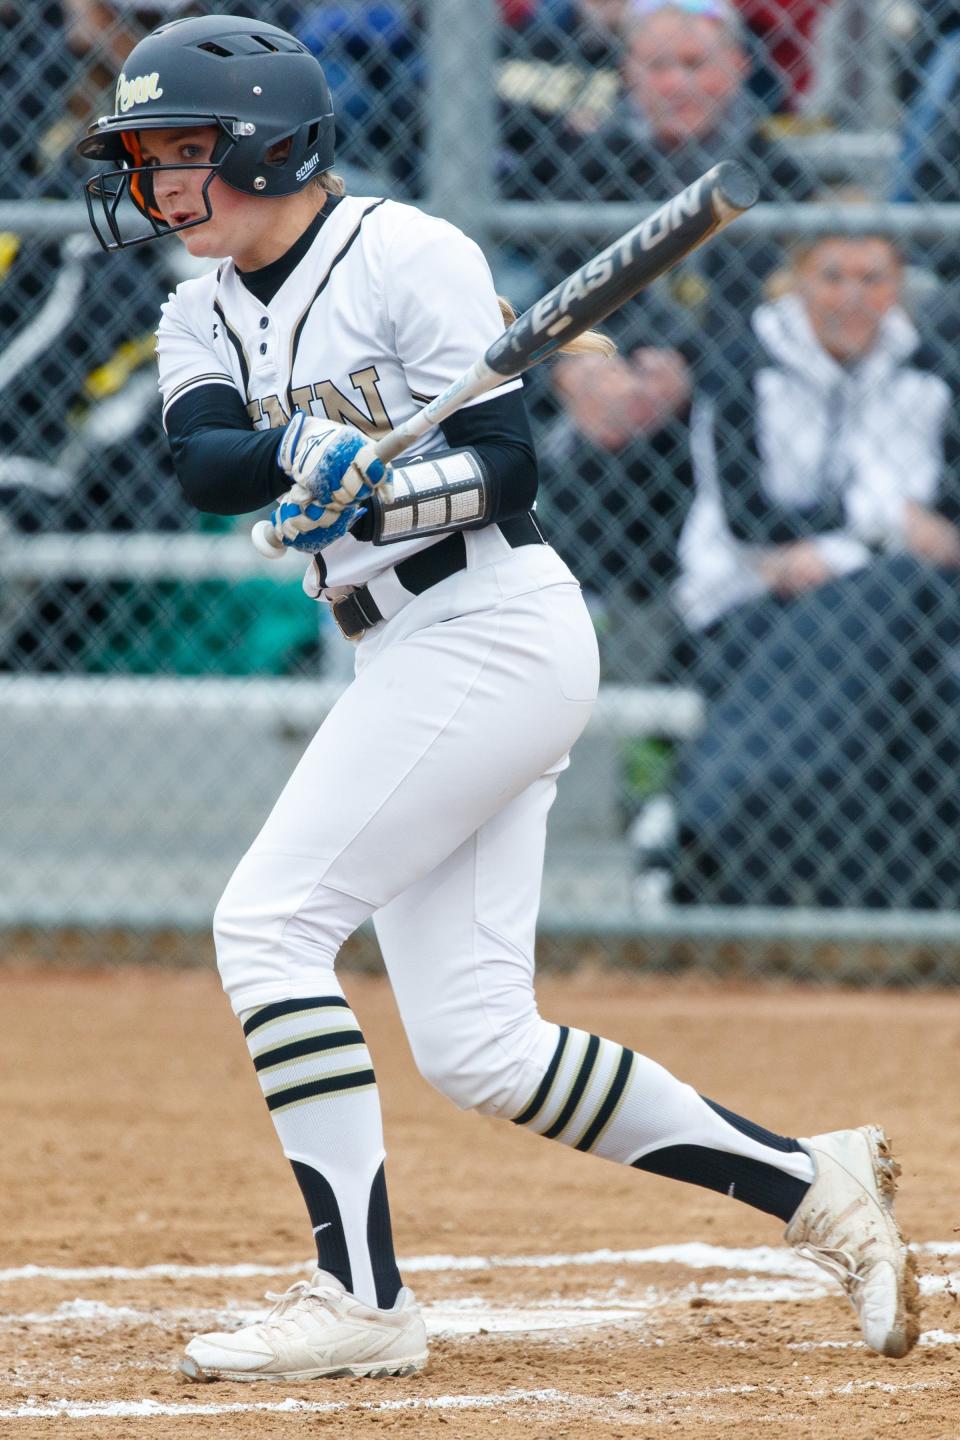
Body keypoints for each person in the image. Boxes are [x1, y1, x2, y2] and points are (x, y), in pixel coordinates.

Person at [77, 12, 918, 1380]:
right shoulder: (198, 307)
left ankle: (360, 1300)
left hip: (489, 626)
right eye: (144, 157)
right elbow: (205, 460)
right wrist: (300, 452)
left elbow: (506, 467)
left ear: (269, 140)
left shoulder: (409, 254)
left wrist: (387, 486)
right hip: (399, 652)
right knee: (479, 1045)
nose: (160, 183)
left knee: (270, 924)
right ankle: (812, 1184)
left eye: (184, 151)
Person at [671, 227, 960, 908]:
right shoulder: (743, 364)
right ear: (796, 281)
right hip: (748, 597)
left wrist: (837, 546)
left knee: (913, 622)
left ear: (899, 288)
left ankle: (715, 834)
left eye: (873, 279)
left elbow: (928, 518)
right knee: (907, 597)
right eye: (833, 277)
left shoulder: (928, 371)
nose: (853, 298)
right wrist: (886, 526)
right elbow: (750, 520)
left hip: (873, 607)